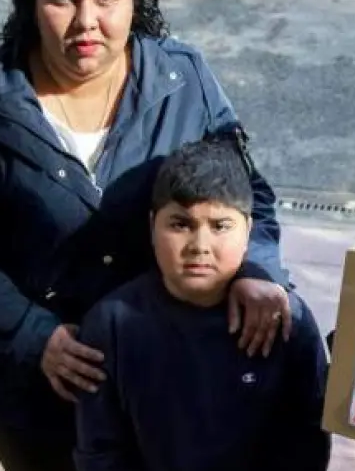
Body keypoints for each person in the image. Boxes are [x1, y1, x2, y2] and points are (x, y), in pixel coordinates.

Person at [0, 0, 292, 470]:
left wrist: (257, 269)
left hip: (169, 383)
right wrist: (31, 334)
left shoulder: (182, 80)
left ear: (135, 0)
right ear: (31, 3)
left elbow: (246, 192)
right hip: (39, 401)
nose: (86, 21)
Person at [73, 138, 331, 471]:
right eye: (180, 225)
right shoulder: (111, 324)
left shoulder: (285, 320)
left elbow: (307, 441)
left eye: (220, 226)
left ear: (248, 230)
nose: (199, 246)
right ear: (152, 226)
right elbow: (100, 450)